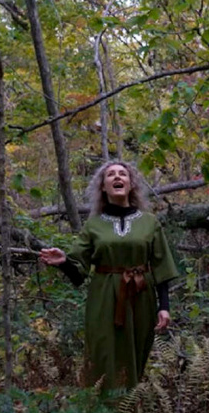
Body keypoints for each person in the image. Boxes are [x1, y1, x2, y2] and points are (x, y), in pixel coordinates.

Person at [40, 161, 179, 390]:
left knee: (136, 353)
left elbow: (161, 265)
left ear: (131, 184)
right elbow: (79, 272)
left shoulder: (149, 222)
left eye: (123, 174)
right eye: (111, 174)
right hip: (104, 297)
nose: (117, 177)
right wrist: (63, 262)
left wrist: (164, 306)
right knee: (102, 352)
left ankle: (128, 408)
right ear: (103, 187)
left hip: (141, 296)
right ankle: (102, 408)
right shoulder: (94, 225)